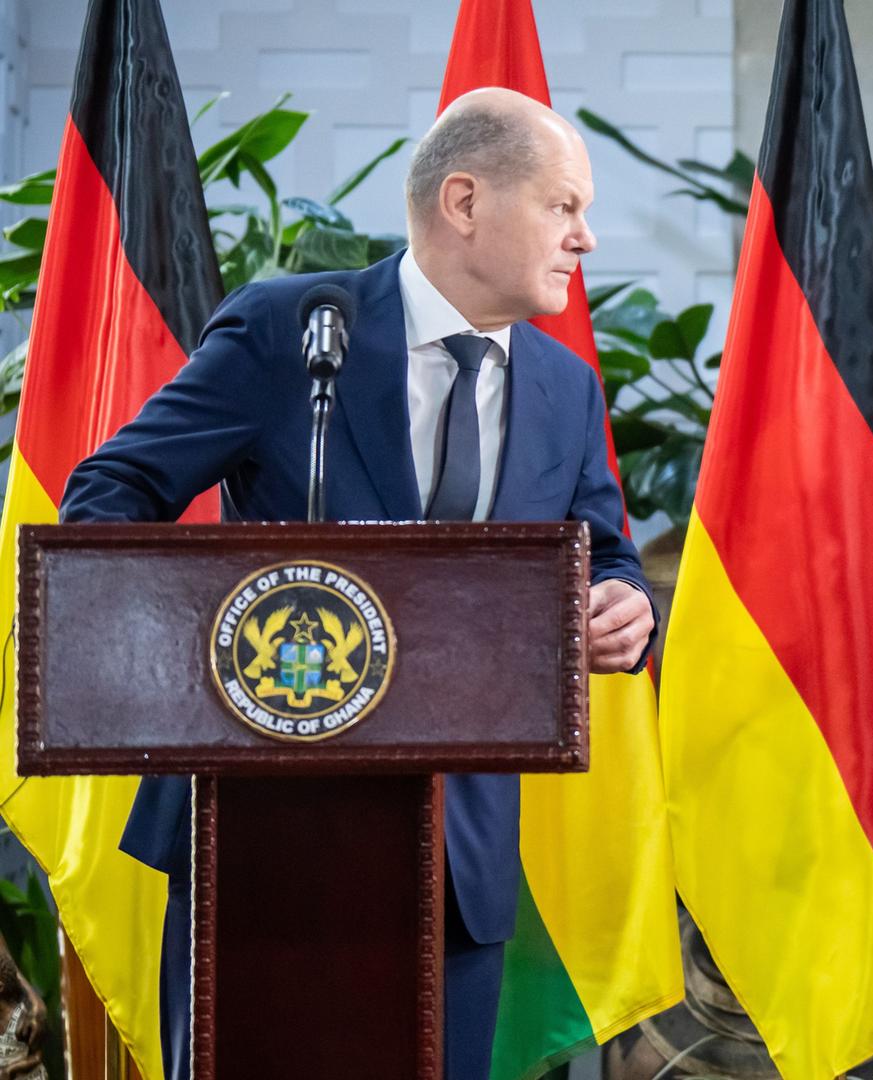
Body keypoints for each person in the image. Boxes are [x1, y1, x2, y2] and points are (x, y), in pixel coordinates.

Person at [61, 88, 656, 1080]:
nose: (585, 238)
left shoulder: (564, 387)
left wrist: (625, 610)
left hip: (454, 861)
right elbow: (108, 496)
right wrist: (202, 649)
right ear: (464, 200)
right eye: (563, 207)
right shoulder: (292, 332)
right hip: (256, 837)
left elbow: (607, 557)